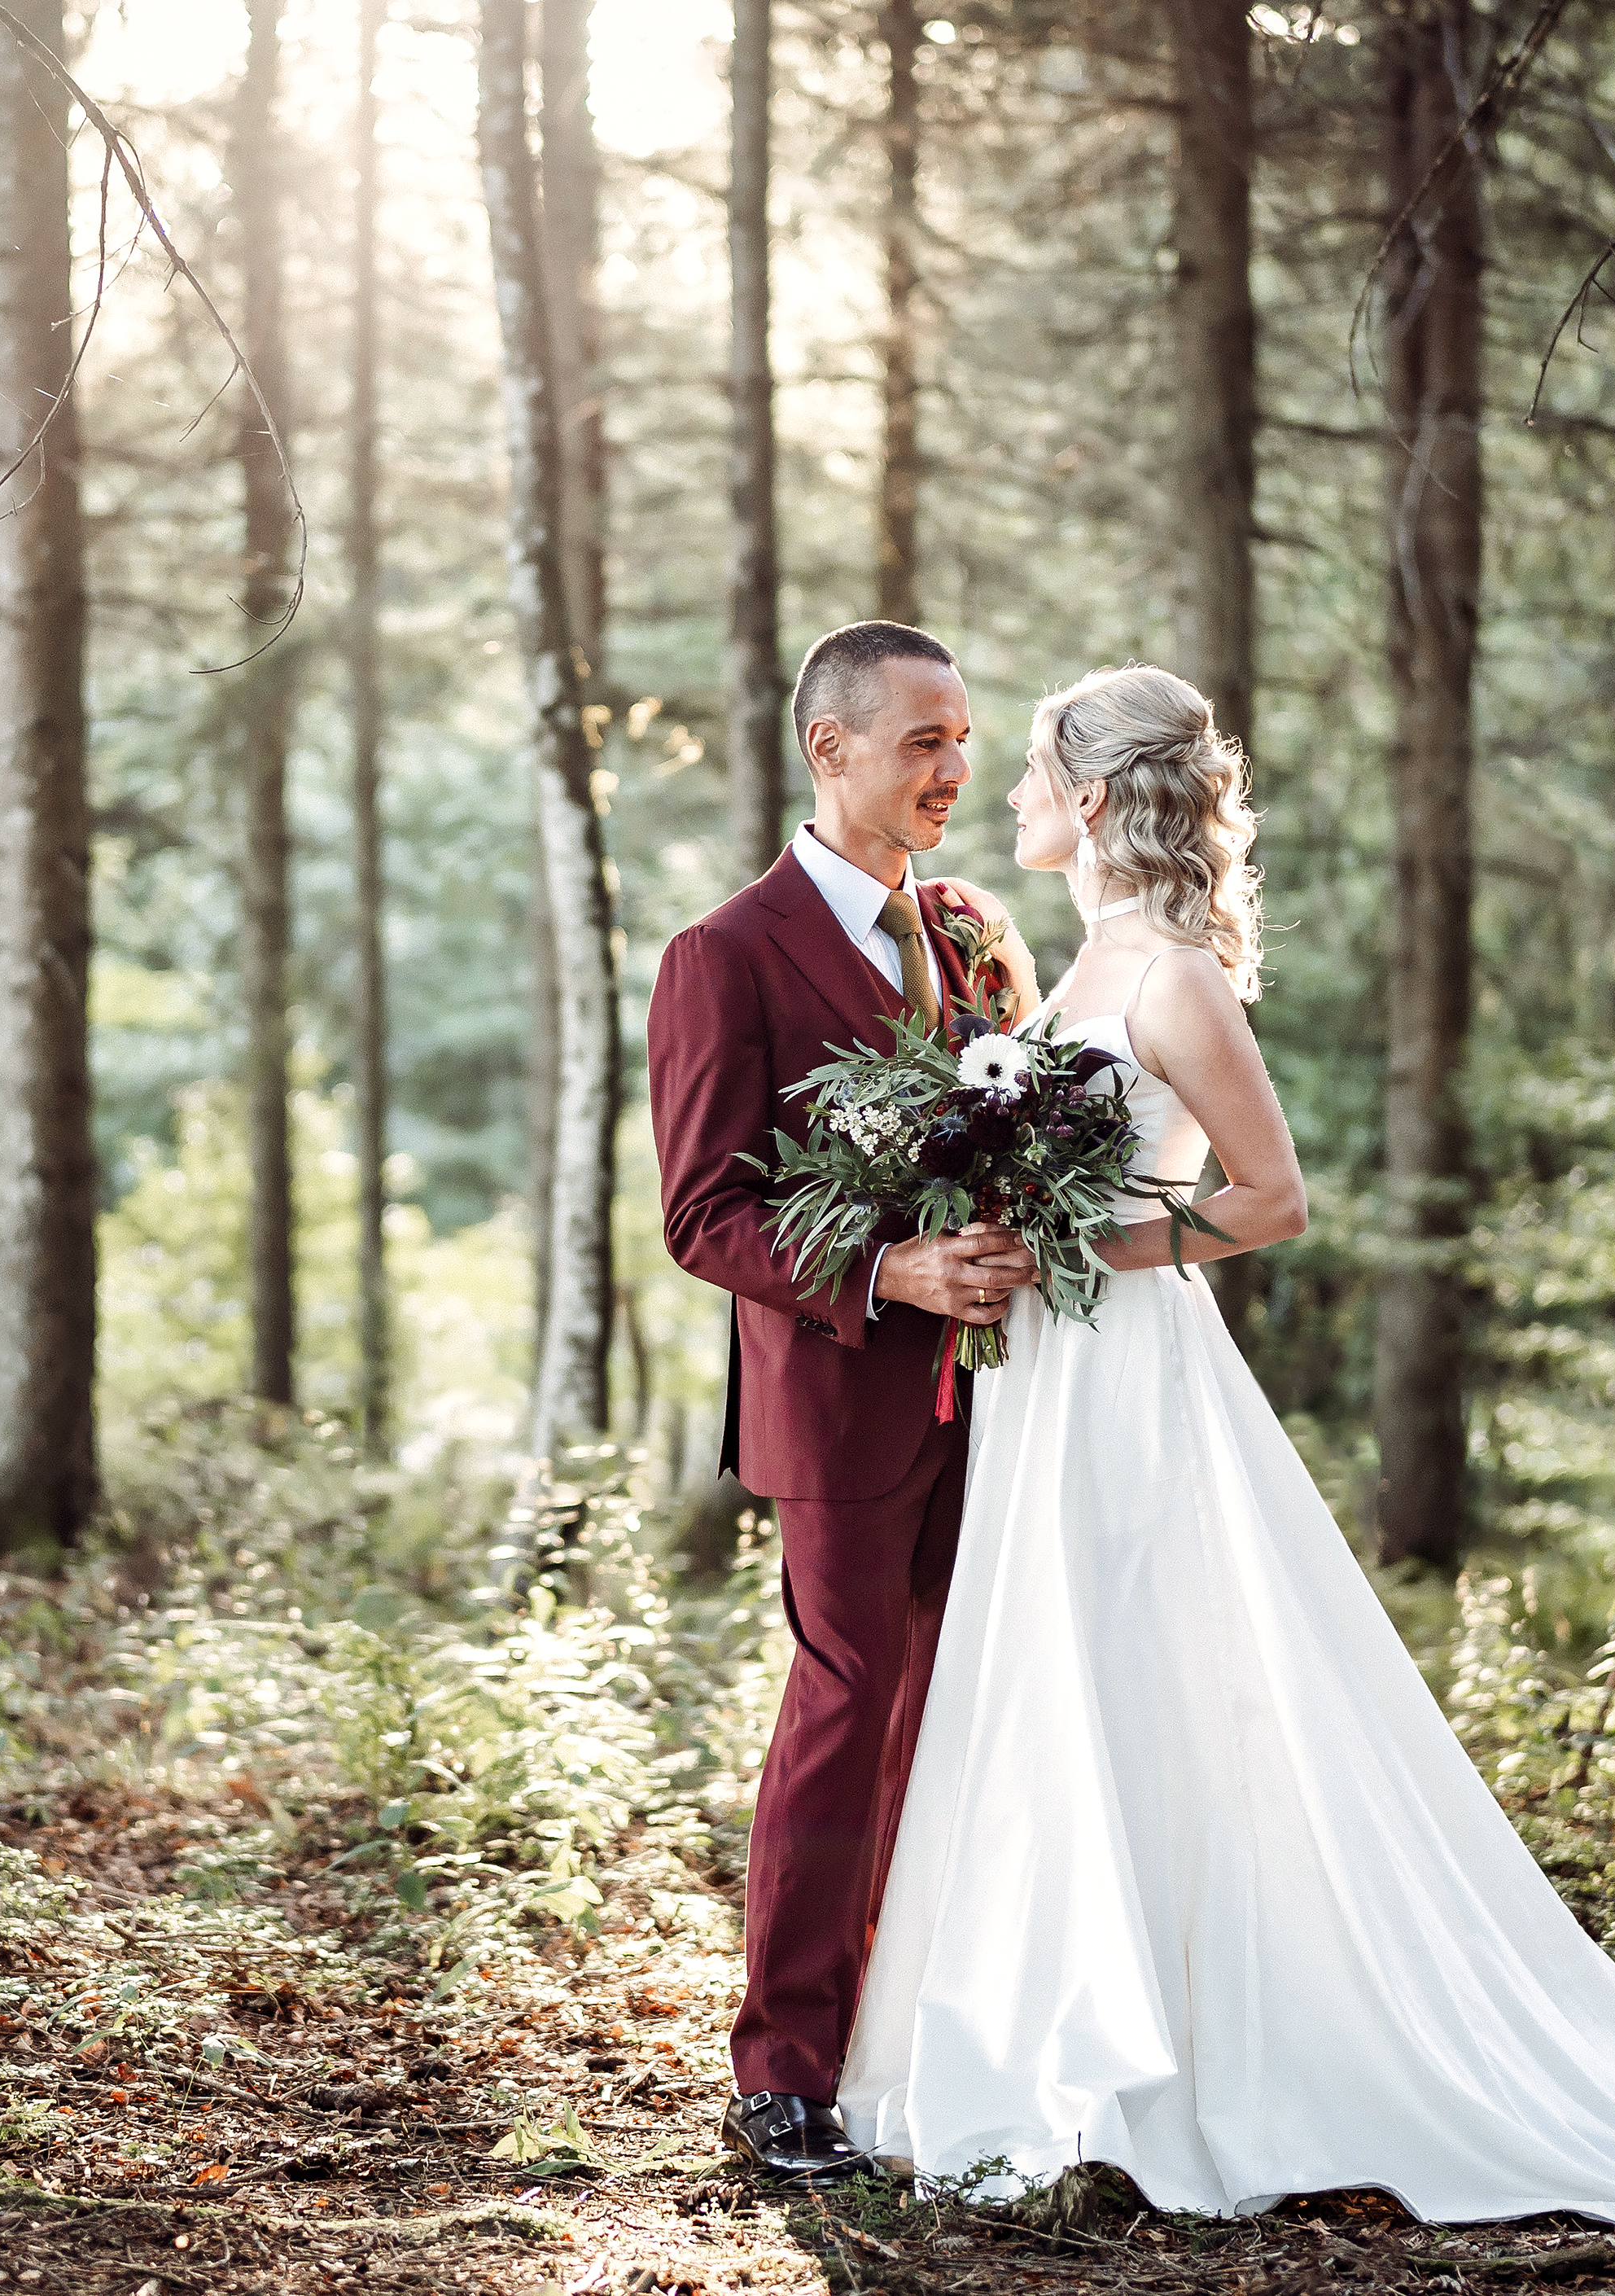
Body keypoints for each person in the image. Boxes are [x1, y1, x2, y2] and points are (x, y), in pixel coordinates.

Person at [832, 663, 1615, 2225]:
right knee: (1051, 1679)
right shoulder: (1076, 968)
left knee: (1140, 1674)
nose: (1008, 794)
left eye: (1026, 769)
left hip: (1123, 1373)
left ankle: (1200, 2055)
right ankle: (1060, 2033)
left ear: (1090, 797)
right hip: (1043, 1376)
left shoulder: (1172, 981)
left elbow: (1270, 1201)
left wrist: (1090, 1252)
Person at [649, 620, 1042, 2180]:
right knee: (844, 1710)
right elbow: (701, 1215)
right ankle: (784, 2074)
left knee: (959, 1716)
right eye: (927, 742)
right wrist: (891, 1273)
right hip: (840, 1405)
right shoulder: (723, 956)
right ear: (832, 751)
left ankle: (912, 2037)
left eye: (966, 739)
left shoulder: (966, 934)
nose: (960, 769)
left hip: (1004, 1400)